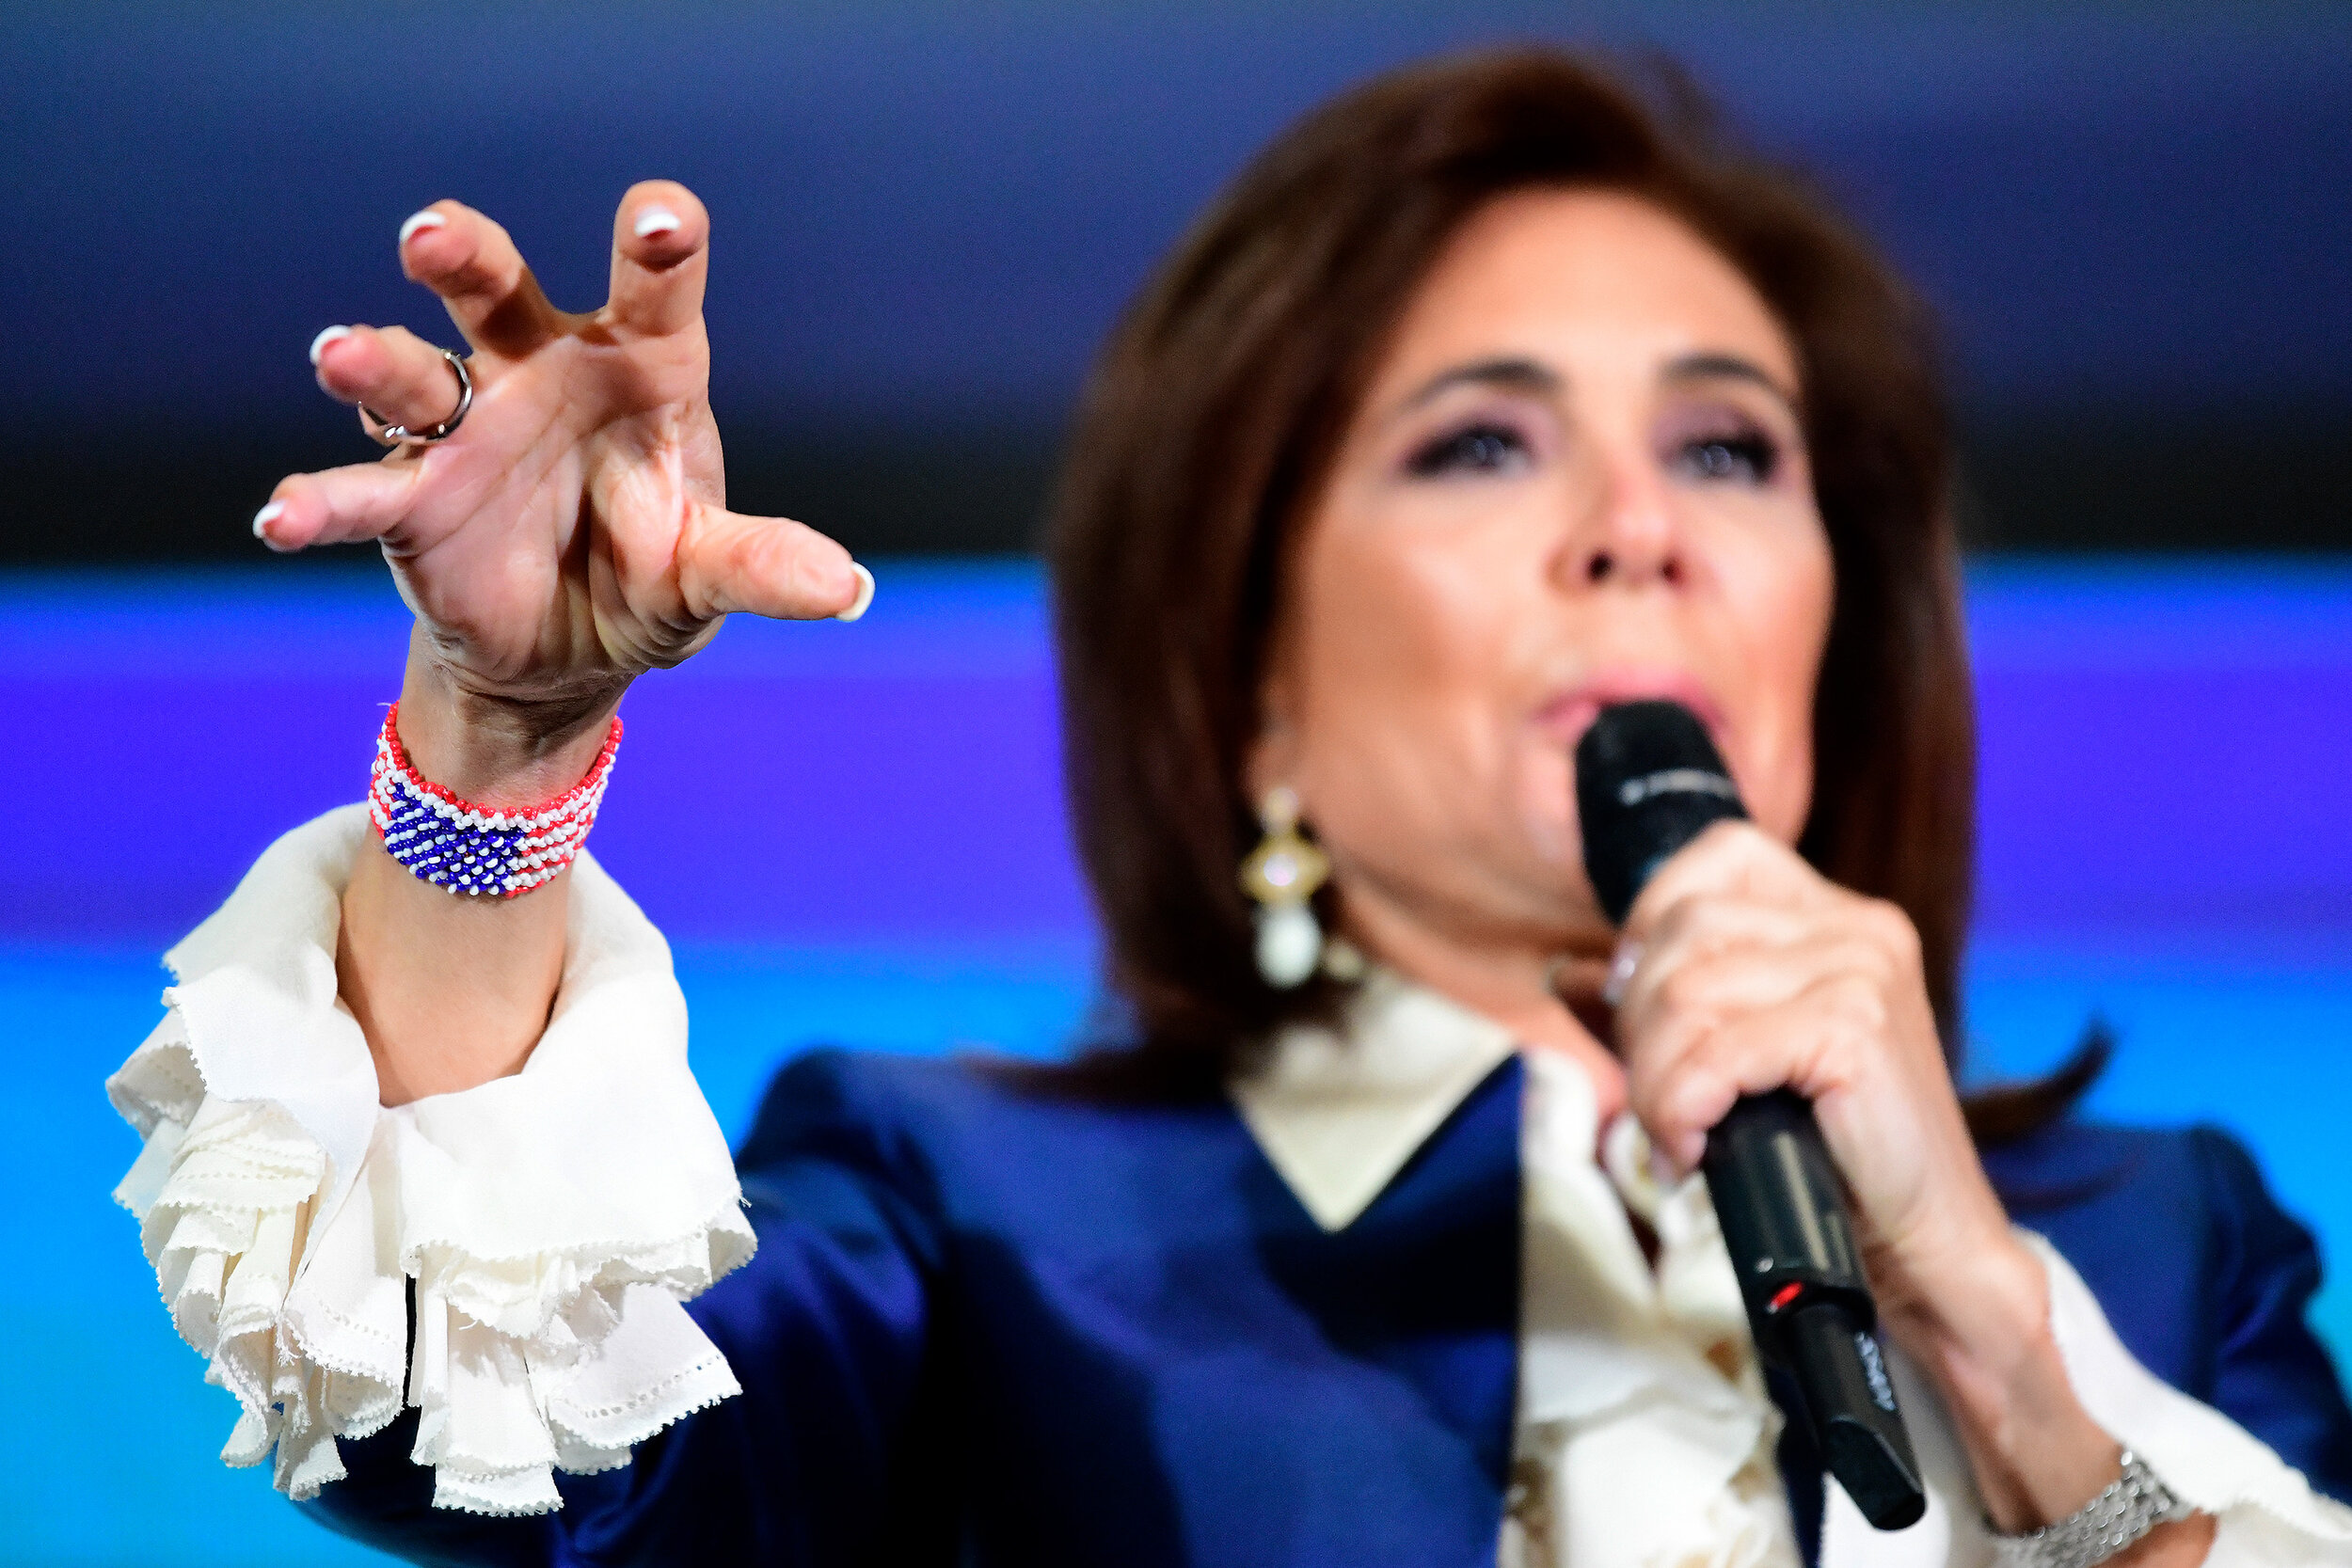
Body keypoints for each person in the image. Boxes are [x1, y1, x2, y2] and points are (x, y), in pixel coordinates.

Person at [107, 48, 2352, 1568]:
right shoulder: (971, 1220)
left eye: (1726, 449)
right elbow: (463, 1447)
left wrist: (1981, 1322)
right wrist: (499, 740)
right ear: (1253, 677)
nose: (1633, 528)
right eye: (1478, 442)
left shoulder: (2159, 1247)